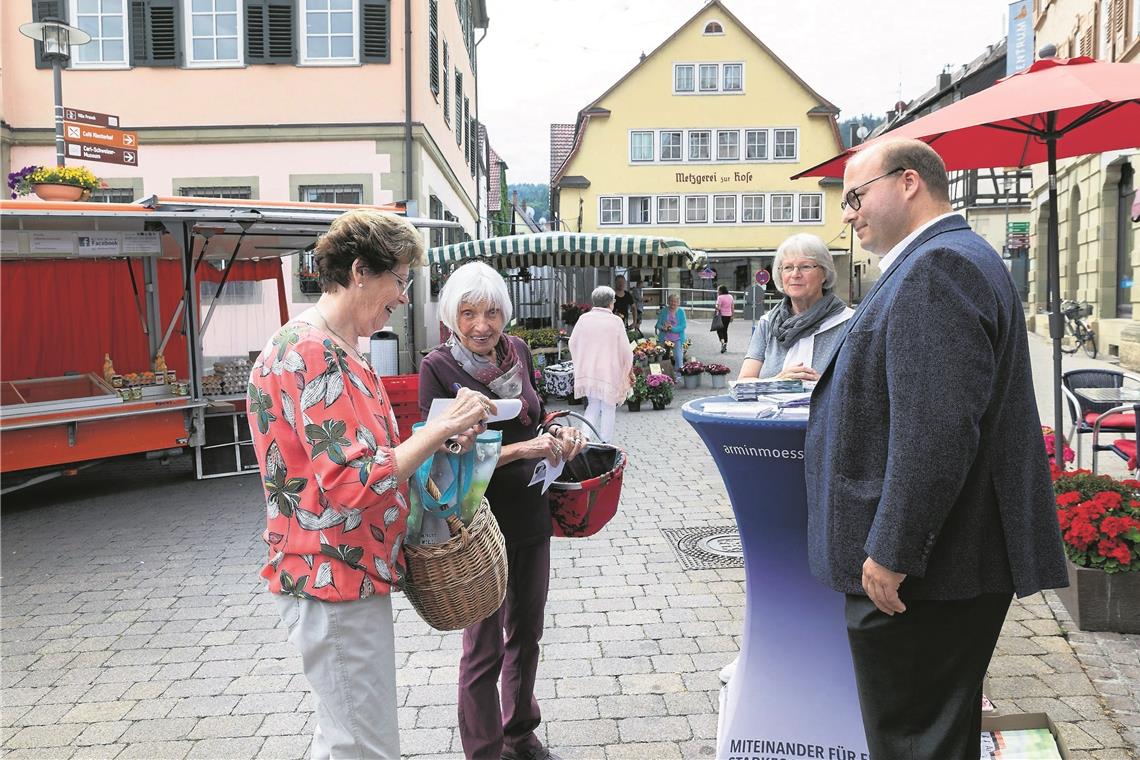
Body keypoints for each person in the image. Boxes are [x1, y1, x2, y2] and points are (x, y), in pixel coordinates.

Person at [805, 139, 1068, 758]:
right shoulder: (948, 257)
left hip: (926, 570)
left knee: (913, 739)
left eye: (855, 195)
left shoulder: (937, 267)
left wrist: (893, 549)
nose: (847, 213)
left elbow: (937, 430)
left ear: (908, 183)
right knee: (931, 734)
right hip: (943, 563)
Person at [247, 210, 495, 760]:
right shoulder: (315, 352)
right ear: (361, 270)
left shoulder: (329, 346)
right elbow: (350, 480)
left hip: (336, 572)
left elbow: (363, 457)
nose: (404, 296)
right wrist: (439, 430)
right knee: (364, 746)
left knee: (344, 738)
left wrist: (438, 440)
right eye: (400, 279)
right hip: (333, 573)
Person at [419, 261, 586, 760]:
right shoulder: (438, 367)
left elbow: (537, 413)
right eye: (468, 313)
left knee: (528, 632)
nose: (481, 326)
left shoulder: (519, 353)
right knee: (484, 645)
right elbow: (438, 451)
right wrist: (523, 450)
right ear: (451, 315)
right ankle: (485, 749)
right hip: (474, 526)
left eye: (491, 312)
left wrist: (558, 432)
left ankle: (520, 731)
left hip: (530, 514)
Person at [738, 234, 854, 382]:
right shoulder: (768, 324)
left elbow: (862, 389)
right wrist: (777, 382)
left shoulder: (849, 323)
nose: (795, 274)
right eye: (788, 267)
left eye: (805, 266)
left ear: (824, 273)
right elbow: (743, 382)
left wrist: (823, 388)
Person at [568, 285, 634, 442]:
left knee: (593, 405)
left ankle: (585, 438)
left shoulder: (584, 319)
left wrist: (582, 359)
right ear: (610, 302)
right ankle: (605, 442)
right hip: (609, 371)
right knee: (608, 407)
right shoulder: (615, 321)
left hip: (589, 371)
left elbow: (572, 343)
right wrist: (628, 369)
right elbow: (626, 350)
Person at [655, 293, 686, 372]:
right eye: (671, 301)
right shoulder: (664, 311)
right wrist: (663, 328)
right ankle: (662, 375)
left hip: (677, 338)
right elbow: (658, 324)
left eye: (675, 301)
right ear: (668, 301)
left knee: (678, 357)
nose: (673, 303)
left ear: (678, 303)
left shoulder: (681, 311)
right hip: (665, 338)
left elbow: (683, 326)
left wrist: (673, 329)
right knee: (661, 357)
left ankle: (678, 374)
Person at [714, 285, 734, 353]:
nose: (717, 291)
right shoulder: (730, 296)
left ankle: (722, 343)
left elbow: (718, 308)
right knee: (725, 330)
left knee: (719, 330)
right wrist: (732, 316)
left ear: (721, 290)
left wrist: (716, 306)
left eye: (718, 290)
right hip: (728, 315)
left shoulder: (720, 297)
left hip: (721, 316)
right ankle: (725, 343)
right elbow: (732, 306)